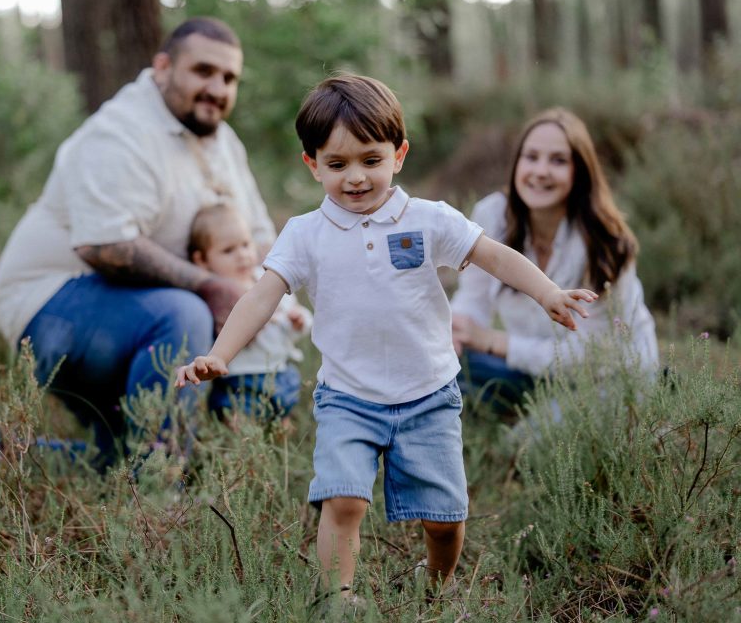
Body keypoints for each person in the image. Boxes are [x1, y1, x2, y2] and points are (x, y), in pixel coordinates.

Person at [175, 75, 596, 602]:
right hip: (348, 397)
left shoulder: (427, 220)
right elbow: (262, 296)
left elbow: (493, 255)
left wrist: (547, 292)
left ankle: (436, 586)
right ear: (312, 164)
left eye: (370, 160)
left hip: (429, 396)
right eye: (337, 164)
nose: (355, 177)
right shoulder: (306, 234)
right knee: (343, 501)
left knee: (444, 520)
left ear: (398, 155)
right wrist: (219, 353)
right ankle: (338, 598)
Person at [0, 18, 275, 461]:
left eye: (229, 78)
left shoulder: (223, 141)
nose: (218, 89)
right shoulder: (121, 133)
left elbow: (260, 238)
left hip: (133, 309)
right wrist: (211, 286)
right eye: (203, 71)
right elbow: (103, 246)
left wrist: (261, 300)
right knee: (185, 312)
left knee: (118, 458)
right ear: (162, 68)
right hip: (51, 307)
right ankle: (162, 488)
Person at [450, 107, 658, 415]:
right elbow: (473, 298)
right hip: (527, 369)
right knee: (441, 371)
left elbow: (594, 356)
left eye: (558, 160)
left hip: (605, 378)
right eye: (531, 157)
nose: (541, 171)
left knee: (528, 447)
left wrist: (496, 342)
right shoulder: (492, 216)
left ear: (579, 172)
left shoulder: (606, 243)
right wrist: (457, 331)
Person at [187, 204, 312, 419]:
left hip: (280, 372)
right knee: (239, 425)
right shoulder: (217, 293)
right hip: (240, 380)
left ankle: (280, 443)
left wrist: (299, 322)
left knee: (282, 424)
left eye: (246, 245)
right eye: (228, 250)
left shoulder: (266, 281)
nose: (242, 255)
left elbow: (289, 329)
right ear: (202, 260)